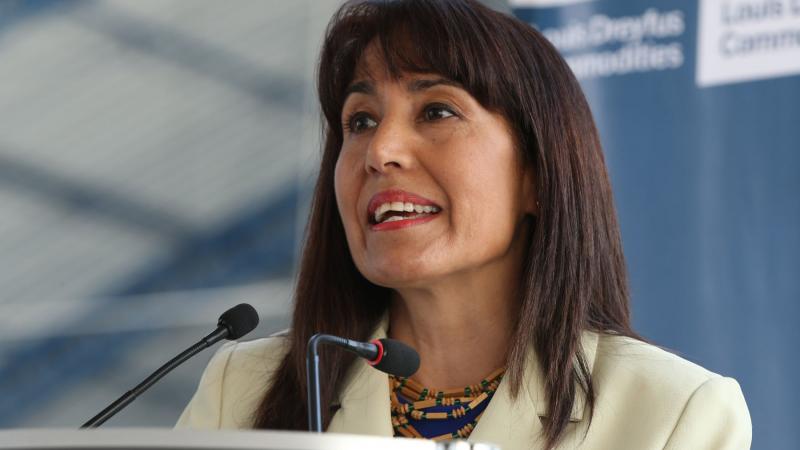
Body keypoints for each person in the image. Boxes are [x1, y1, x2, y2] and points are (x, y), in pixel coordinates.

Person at [177, 1, 751, 449]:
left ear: (537, 174)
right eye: (361, 120)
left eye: (437, 111)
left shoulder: (672, 412)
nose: (381, 150)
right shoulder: (242, 388)